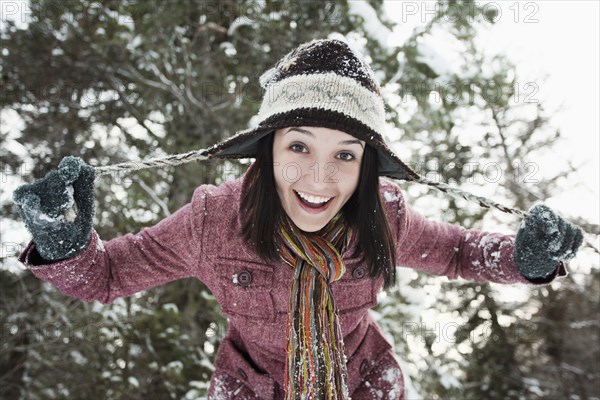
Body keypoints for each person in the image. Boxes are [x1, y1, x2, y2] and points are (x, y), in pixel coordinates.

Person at [13, 39, 583, 400]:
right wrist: (66, 246)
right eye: (300, 147)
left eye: (344, 154)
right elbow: (108, 274)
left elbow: (461, 252)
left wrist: (525, 259)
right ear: (268, 149)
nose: (318, 180)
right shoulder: (214, 222)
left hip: (365, 383)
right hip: (247, 387)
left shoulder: (382, 218)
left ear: (366, 168)